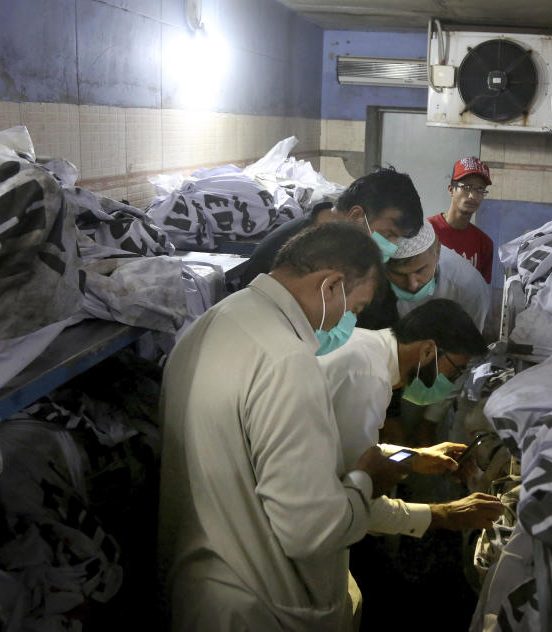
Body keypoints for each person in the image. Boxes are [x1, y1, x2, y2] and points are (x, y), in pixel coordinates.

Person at [158, 223, 411, 631]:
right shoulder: (287, 360)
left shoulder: (211, 322)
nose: (343, 324)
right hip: (259, 608)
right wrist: (367, 479)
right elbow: (309, 531)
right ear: (331, 286)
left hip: (199, 590)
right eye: (354, 309)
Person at [318, 299, 502, 538]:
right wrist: (445, 514)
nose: (452, 381)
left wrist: (414, 457)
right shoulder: (369, 376)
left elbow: (364, 453)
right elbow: (354, 495)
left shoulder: (367, 348)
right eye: (455, 370)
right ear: (428, 350)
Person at [236, 168, 425, 288]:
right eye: (388, 234)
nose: (391, 246)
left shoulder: (350, 250)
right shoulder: (288, 250)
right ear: (357, 216)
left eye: (396, 238)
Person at [386, 219, 489, 331]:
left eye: (420, 271)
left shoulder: (469, 287)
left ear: (437, 253)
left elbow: (469, 343)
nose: (412, 285)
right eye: (400, 275)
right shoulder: (373, 275)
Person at [428, 157, 495, 283]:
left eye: (480, 190)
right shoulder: (426, 231)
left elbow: (480, 293)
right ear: (451, 189)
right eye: (467, 187)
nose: (473, 196)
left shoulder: (484, 244)